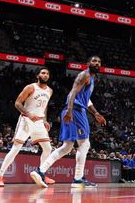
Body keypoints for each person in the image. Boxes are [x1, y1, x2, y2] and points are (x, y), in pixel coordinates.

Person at [30, 55, 107, 188]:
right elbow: (72, 93)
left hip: (74, 110)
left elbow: (86, 100)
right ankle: (78, 179)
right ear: (88, 63)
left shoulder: (92, 78)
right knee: (84, 144)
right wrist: (70, 110)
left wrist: (96, 113)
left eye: (99, 62)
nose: (97, 63)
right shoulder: (85, 75)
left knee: (67, 147)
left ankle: (40, 171)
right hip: (75, 111)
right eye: (94, 61)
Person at [0, 67, 55, 187]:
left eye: (47, 73)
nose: (46, 75)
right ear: (38, 75)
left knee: (48, 149)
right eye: (43, 73)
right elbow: (17, 103)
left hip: (39, 122)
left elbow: (45, 106)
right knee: (16, 148)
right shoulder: (30, 87)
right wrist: (29, 114)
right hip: (26, 120)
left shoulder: (50, 91)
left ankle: (41, 173)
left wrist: (45, 120)